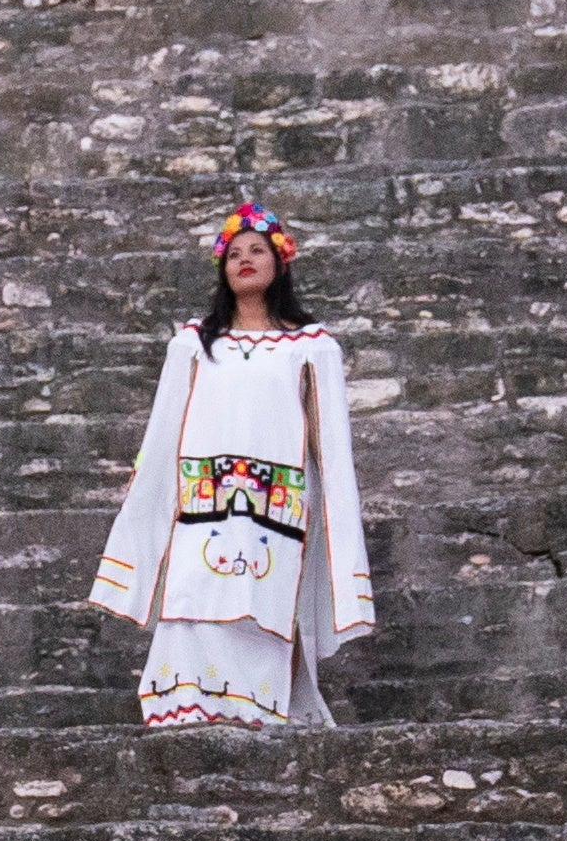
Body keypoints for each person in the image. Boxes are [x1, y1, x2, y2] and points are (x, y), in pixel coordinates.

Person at [86, 199, 378, 729]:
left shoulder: (311, 347)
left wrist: (329, 522)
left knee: (263, 604)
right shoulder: (194, 344)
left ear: (279, 262)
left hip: (277, 508)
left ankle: (261, 714)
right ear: (222, 268)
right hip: (202, 504)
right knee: (193, 599)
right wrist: (150, 500)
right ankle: (185, 714)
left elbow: (329, 445)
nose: (245, 259)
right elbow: (163, 430)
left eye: (257, 250)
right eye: (234, 252)